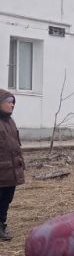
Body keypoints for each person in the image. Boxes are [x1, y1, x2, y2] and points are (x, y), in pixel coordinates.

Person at [0, 89, 25, 242]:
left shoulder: (10, 121)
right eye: (9, 102)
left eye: (13, 102)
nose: (12, 105)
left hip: (12, 170)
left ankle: (2, 224)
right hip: (1, 170)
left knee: (7, 198)